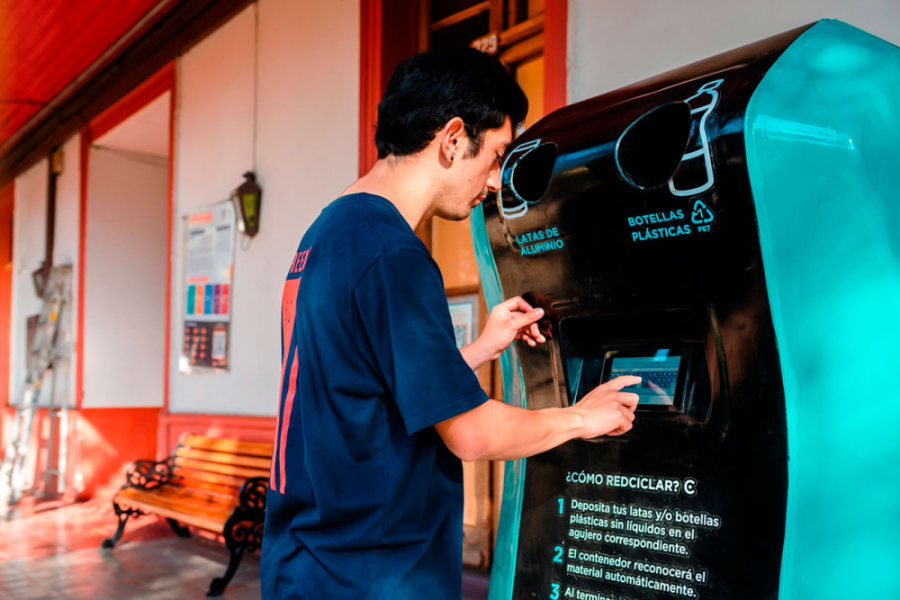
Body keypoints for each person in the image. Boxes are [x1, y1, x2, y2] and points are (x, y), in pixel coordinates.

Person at [261, 47, 639, 599]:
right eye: (496, 155)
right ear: (453, 138)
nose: (493, 183)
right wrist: (581, 418)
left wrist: (484, 346)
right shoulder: (393, 254)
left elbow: (368, 391)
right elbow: (470, 433)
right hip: (372, 573)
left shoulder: (329, 232)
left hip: (309, 561)